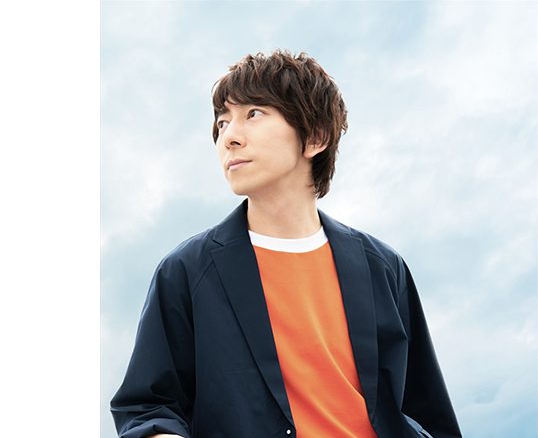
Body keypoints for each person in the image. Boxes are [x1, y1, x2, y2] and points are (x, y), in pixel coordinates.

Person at [110, 49, 462, 438]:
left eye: (253, 114)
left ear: (315, 136)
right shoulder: (187, 270)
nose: (229, 137)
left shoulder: (382, 265)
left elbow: (428, 411)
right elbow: (147, 408)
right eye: (222, 122)